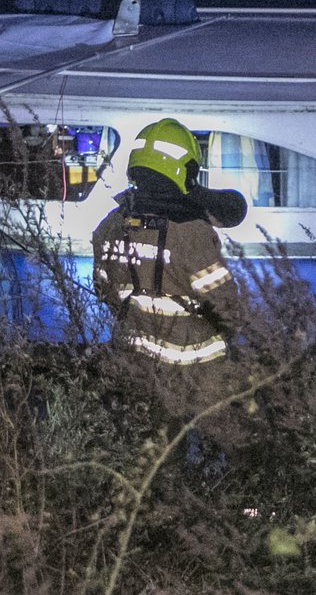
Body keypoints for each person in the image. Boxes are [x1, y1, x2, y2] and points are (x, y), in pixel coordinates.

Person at [92, 118, 250, 441]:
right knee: (222, 458)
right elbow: (229, 307)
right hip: (199, 382)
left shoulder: (108, 226)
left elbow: (103, 290)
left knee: (146, 460)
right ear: (183, 172)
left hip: (135, 371)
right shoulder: (192, 234)